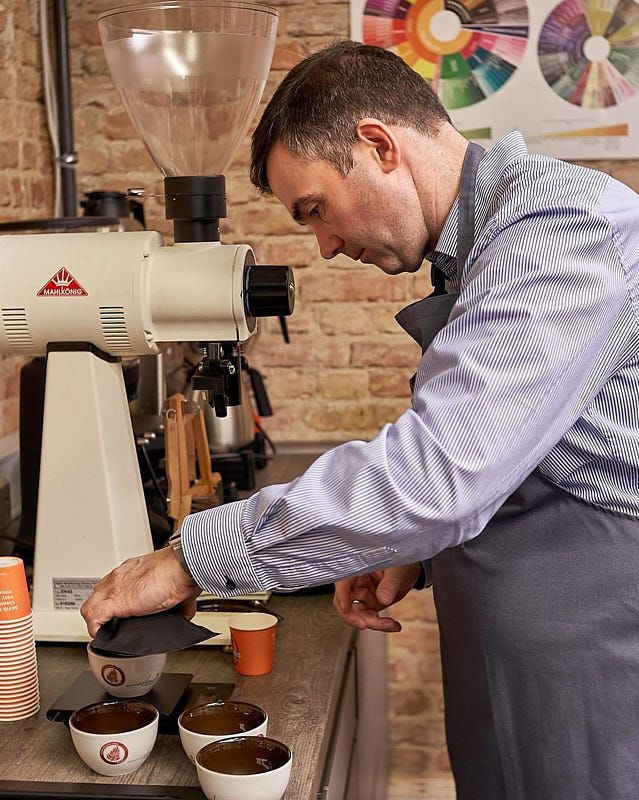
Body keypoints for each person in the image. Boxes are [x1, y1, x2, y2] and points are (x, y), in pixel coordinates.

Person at [81, 41, 639, 798]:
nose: (326, 245)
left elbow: (438, 475)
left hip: (590, 659)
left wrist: (187, 559)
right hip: (523, 651)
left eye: (315, 210)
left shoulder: (556, 231)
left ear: (377, 145)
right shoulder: (486, 241)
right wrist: (412, 547)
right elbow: (527, 440)